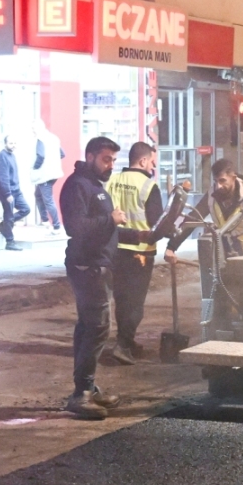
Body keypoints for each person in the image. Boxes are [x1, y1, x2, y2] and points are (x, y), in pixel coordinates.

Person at [59, 135, 126, 420]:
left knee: (88, 328)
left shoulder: (94, 185)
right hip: (88, 267)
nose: (110, 165)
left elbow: (100, 229)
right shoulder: (78, 186)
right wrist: (110, 219)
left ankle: (86, 387)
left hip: (97, 264)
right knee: (97, 328)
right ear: (90, 157)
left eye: (112, 160)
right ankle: (82, 395)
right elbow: (76, 227)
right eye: (105, 159)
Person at [101, 141, 171, 364]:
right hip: (140, 251)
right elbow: (157, 222)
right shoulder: (148, 186)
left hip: (115, 250)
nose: (153, 167)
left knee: (122, 299)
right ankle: (122, 346)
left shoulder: (112, 180)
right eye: (152, 162)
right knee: (135, 303)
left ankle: (127, 342)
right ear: (142, 161)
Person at [0, 134, 29, 251]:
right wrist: (7, 194)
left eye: (14, 143)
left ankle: (3, 226)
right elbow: (3, 177)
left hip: (16, 191)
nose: (13, 146)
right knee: (8, 215)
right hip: (8, 192)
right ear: (5, 144)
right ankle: (10, 241)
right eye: (10, 143)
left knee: (26, 209)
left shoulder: (12, 156)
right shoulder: (2, 156)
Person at [31, 120, 65, 232]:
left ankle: (56, 225)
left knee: (48, 200)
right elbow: (62, 154)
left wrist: (34, 167)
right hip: (54, 173)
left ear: (39, 128)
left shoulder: (40, 139)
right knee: (38, 195)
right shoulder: (54, 138)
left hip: (44, 174)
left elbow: (40, 156)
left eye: (33, 128)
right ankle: (44, 220)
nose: (33, 131)